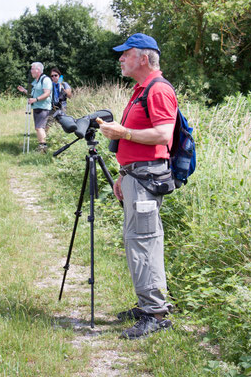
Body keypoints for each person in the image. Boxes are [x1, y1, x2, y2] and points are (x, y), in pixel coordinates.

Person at [97, 33, 177, 340]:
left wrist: (123, 132)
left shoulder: (157, 90)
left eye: (125, 54)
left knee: (144, 241)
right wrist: (123, 174)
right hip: (136, 176)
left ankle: (155, 313)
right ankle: (148, 304)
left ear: (143, 58)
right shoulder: (140, 90)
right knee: (139, 240)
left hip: (146, 178)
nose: (120, 59)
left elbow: (163, 135)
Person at [17, 62, 52, 152]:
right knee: (39, 128)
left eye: (32, 69)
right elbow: (30, 94)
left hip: (43, 107)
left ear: (38, 70)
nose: (31, 71)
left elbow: (47, 93)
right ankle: (42, 147)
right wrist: (24, 90)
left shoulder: (46, 80)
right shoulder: (34, 81)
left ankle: (43, 148)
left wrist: (36, 99)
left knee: (39, 127)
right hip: (36, 107)